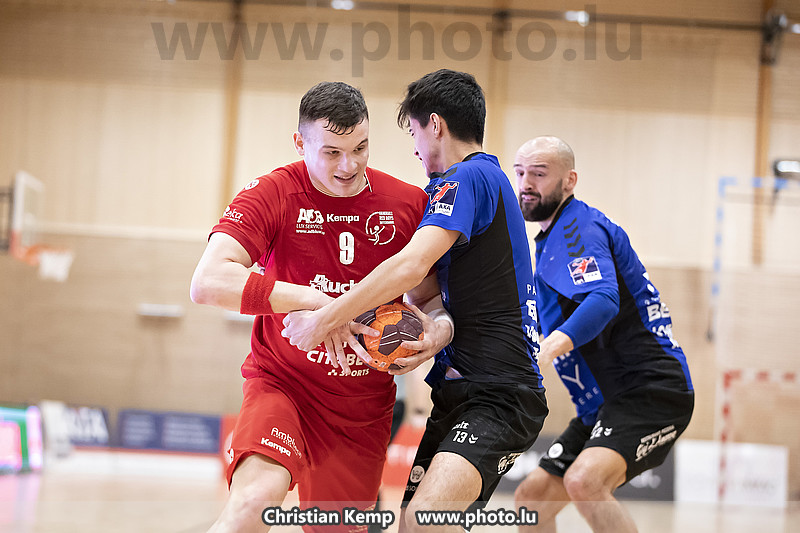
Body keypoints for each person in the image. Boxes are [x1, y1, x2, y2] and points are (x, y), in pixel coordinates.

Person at [282, 69, 549, 531]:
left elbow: (409, 267)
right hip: (459, 391)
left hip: (499, 395)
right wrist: (437, 331)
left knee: (425, 521)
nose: (414, 148)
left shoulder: (467, 177)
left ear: (435, 125)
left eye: (413, 132)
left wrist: (324, 318)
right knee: (413, 524)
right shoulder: (475, 182)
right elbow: (432, 295)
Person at [190, 81, 454, 533]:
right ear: (300, 143)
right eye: (332, 152)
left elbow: (430, 300)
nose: (349, 166)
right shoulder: (272, 193)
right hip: (283, 385)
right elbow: (208, 282)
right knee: (253, 504)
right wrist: (317, 302)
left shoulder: (408, 204)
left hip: (362, 406)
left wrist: (437, 331)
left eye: (360, 148)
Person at [511, 136, 694, 533]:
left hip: (650, 391)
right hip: (603, 405)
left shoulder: (578, 227)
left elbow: (603, 299)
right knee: (531, 500)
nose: (525, 184)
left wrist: (549, 349)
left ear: (569, 181)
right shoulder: (551, 241)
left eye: (539, 174)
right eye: (520, 172)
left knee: (586, 482)